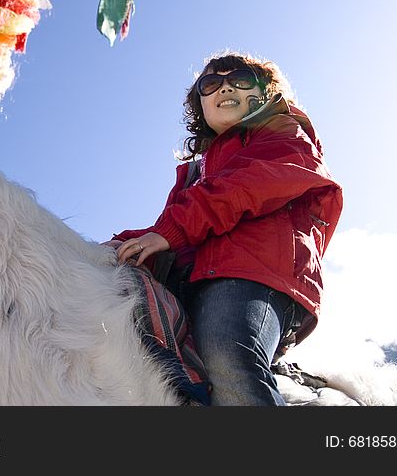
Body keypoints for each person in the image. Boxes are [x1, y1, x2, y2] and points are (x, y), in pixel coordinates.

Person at [106, 52, 343, 405]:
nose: (226, 86)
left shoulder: (283, 131)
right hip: (201, 281)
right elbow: (169, 235)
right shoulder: (196, 175)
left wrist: (169, 231)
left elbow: (248, 186)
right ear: (200, 103)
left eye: (242, 79)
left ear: (265, 93)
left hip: (257, 276)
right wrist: (111, 248)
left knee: (227, 351)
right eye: (211, 83)